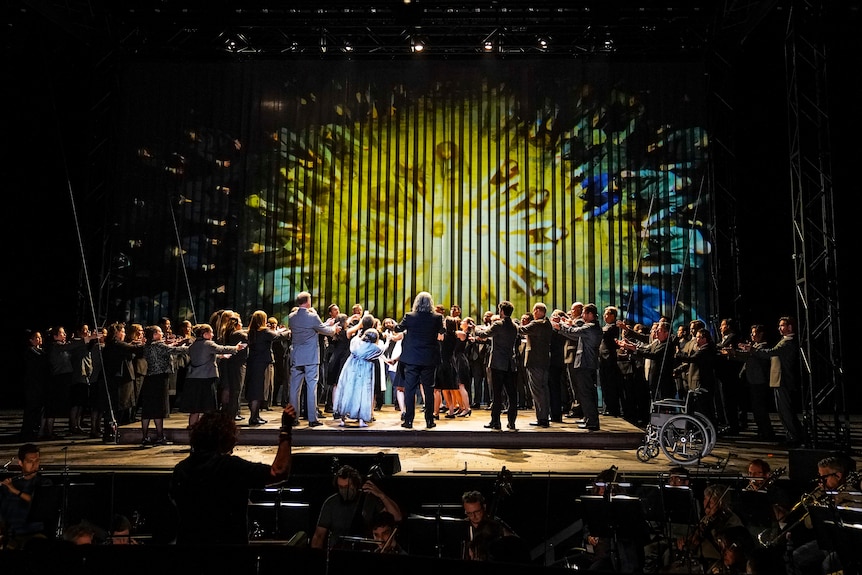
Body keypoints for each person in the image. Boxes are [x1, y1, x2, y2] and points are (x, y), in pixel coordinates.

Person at [170, 404, 297, 545]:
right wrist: (286, 431)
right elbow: (278, 472)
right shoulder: (230, 467)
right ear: (225, 438)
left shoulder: (180, 470)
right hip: (228, 553)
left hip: (189, 553)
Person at [739, 316, 805, 447]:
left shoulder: (788, 342)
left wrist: (752, 350)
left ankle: (793, 437)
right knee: (783, 411)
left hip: (783, 380)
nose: (779, 328)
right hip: (778, 380)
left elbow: (771, 352)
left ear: (790, 327)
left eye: (782, 326)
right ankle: (793, 435)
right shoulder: (784, 341)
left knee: (785, 411)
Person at [310, 464, 403, 549]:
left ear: (356, 484)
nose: (344, 491)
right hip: (337, 553)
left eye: (347, 487)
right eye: (341, 487)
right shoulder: (330, 503)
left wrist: (381, 495)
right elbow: (319, 536)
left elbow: (396, 517)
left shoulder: (369, 499)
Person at [392, 291, 445, 430]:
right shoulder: (437, 317)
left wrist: (393, 325)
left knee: (410, 389)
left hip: (412, 358)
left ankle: (409, 420)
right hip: (429, 358)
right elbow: (442, 331)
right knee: (429, 390)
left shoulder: (410, 316)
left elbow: (398, 328)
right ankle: (429, 420)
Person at [288, 292, 340, 428]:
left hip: (296, 356)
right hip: (310, 357)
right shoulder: (312, 316)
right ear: (308, 301)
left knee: (294, 388)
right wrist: (334, 328)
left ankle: (293, 418)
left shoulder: (291, 317)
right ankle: (312, 419)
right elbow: (326, 331)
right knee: (311, 387)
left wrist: (323, 326)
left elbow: (311, 329)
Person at [180, 323, 246, 428]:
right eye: (211, 332)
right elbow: (221, 348)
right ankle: (207, 430)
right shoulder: (208, 344)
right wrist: (236, 348)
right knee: (208, 407)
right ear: (205, 334)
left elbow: (203, 356)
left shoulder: (193, 345)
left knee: (195, 409)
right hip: (205, 379)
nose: (213, 335)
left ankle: (192, 430)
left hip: (192, 379)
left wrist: (219, 356)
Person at [553, 303, 602, 431]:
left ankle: (592, 422)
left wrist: (560, 326)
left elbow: (574, 332)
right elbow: (572, 334)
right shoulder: (593, 327)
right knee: (586, 393)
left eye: (584, 313)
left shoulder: (590, 327)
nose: (582, 315)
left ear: (591, 314)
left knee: (586, 393)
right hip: (588, 363)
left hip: (585, 364)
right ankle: (589, 419)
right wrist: (564, 327)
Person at [139, 324, 190, 446]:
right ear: (155, 334)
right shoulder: (160, 345)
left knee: (147, 409)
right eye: (160, 332)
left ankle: (145, 436)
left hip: (149, 378)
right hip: (160, 379)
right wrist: (190, 347)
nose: (162, 334)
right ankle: (160, 436)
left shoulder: (147, 346)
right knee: (159, 408)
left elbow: (168, 348)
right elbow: (175, 350)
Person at [474, 301, 520, 431]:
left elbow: (483, 334)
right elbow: (500, 340)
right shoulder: (514, 326)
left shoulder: (498, 324)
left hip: (498, 364)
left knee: (497, 394)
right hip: (511, 364)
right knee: (512, 394)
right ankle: (512, 422)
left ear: (501, 311)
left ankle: (496, 421)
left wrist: (475, 328)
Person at [728, 324, 777, 441]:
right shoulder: (754, 347)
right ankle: (762, 431)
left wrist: (740, 351)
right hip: (753, 381)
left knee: (760, 409)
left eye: (754, 333)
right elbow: (745, 356)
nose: (752, 335)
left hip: (759, 381)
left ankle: (767, 433)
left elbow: (751, 354)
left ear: (760, 334)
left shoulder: (762, 346)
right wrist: (733, 353)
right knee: (756, 409)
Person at [0, 443, 52, 549]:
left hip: (34, 533)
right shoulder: (11, 483)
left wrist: (14, 491)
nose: (34, 465)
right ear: (21, 463)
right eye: (30, 462)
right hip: (12, 534)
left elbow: (37, 502)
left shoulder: (44, 482)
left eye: (37, 461)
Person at [245, 310, 289, 426]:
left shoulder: (251, 332)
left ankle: (255, 415)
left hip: (253, 363)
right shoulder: (264, 331)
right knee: (259, 390)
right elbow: (279, 336)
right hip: (262, 363)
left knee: (255, 389)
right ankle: (254, 417)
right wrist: (290, 331)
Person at [334, 328, 383, 427]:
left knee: (348, 392)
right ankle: (361, 420)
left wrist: (358, 336)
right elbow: (379, 352)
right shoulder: (374, 348)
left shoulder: (356, 343)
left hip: (351, 371)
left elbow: (353, 346)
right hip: (364, 373)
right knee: (363, 394)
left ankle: (342, 419)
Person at [461, 489, 523, 562]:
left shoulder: (495, 523)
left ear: (484, 507)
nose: (473, 516)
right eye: (469, 513)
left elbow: (516, 542)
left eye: (477, 512)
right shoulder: (464, 525)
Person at [518, 302, 554, 428]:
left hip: (534, 361)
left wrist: (511, 323)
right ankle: (544, 416)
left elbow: (520, 330)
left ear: (538, 311)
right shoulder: (548, 324)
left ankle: (542, 418)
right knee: (544, 390)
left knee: (537, 391)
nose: (533, 313)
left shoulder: (536, 324)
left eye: (534, 311)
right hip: (544, 361)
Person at [21, 330, 49, 442]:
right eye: (37, 337)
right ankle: (27, 432)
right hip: (32, 385)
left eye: (40, 337)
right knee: (31, 409)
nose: (39, 339)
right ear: (31, 340)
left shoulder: (41, 351)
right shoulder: (31, 351)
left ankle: (34, 430)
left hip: (40, 384)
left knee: (38, 409)